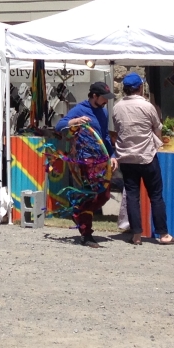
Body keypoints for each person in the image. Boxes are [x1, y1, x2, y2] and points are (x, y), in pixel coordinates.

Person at [114, 73, 174, 245]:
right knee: (156, 196)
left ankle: (136, 235)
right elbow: (157, 129)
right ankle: (163, 234)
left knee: (132, 196)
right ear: (140, 87)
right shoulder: (147, 106)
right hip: (147, 156)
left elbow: (118, 129)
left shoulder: (117, 107)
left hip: (127, 158)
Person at [56, 82, 117, 246]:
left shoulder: (103, 112)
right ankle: (86, 234)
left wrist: (112, 155)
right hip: (85, 158)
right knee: (90, 194)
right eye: (104, 98)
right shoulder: (79, 109)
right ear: (95, 96)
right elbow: (59, 125)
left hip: (101, 159)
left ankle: (78, 212)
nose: (107, 101)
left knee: (103, 195)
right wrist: (74, 121)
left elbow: (104, 137)